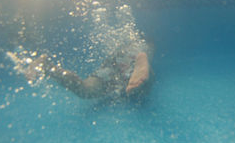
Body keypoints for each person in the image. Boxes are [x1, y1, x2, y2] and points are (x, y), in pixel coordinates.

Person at [24, 42, 153, 100]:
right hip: (132, 57)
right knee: (144, 85)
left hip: (110, 65)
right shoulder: (143, 44)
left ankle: (48, 66)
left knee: (86, 90)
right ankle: (141, 61)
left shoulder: (124, 43)